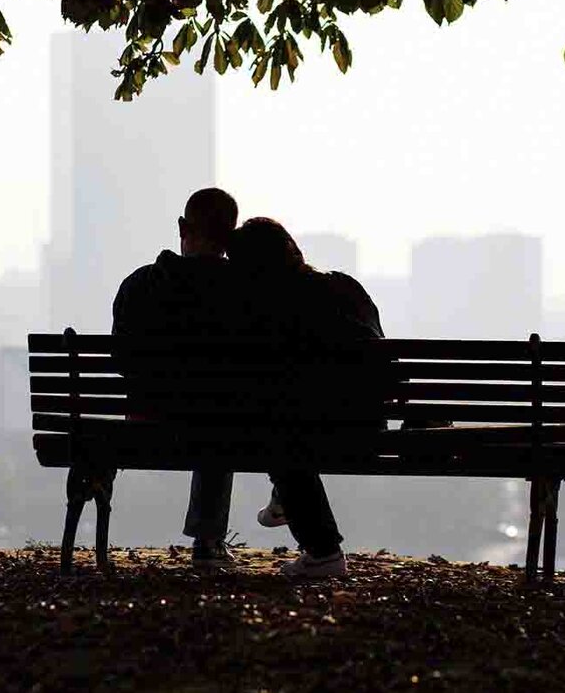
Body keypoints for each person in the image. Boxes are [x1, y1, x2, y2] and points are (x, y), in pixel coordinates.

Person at [226, 217, 384, 579]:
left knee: (276, 425)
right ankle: (285, 497)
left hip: (308, 433)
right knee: (287, 420)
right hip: (369, 426)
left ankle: (322, 549)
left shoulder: (271, 311)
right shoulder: (345, 287)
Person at [112, 187, 242, 568]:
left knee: (215, 412)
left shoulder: (139, 284)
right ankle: (207, 538)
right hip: (222, 430)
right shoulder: (243, 291)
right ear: (229, 238)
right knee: (220, 412)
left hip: (146, 424)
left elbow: (121, 361)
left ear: (183, 227)